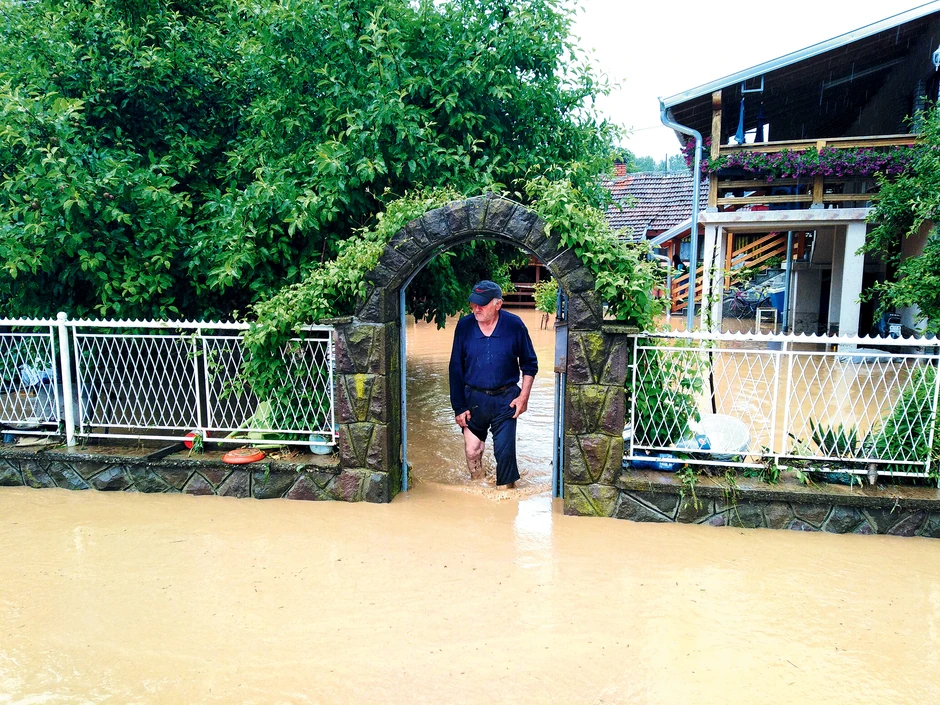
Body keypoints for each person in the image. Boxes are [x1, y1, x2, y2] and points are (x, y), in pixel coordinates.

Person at [448, 280, 538, 489]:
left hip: (505, 399)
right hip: (474, 399)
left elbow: (529, 364)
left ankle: (506, 501)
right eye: (474, 303)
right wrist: (459, 407)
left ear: (498, 304)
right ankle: (478, 491)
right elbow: (455, 369)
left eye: (482, 304)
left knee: (505, 456)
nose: (476, 308)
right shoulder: (464, 326)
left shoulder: (514, 325)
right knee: (473, 452)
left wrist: (523, 398)